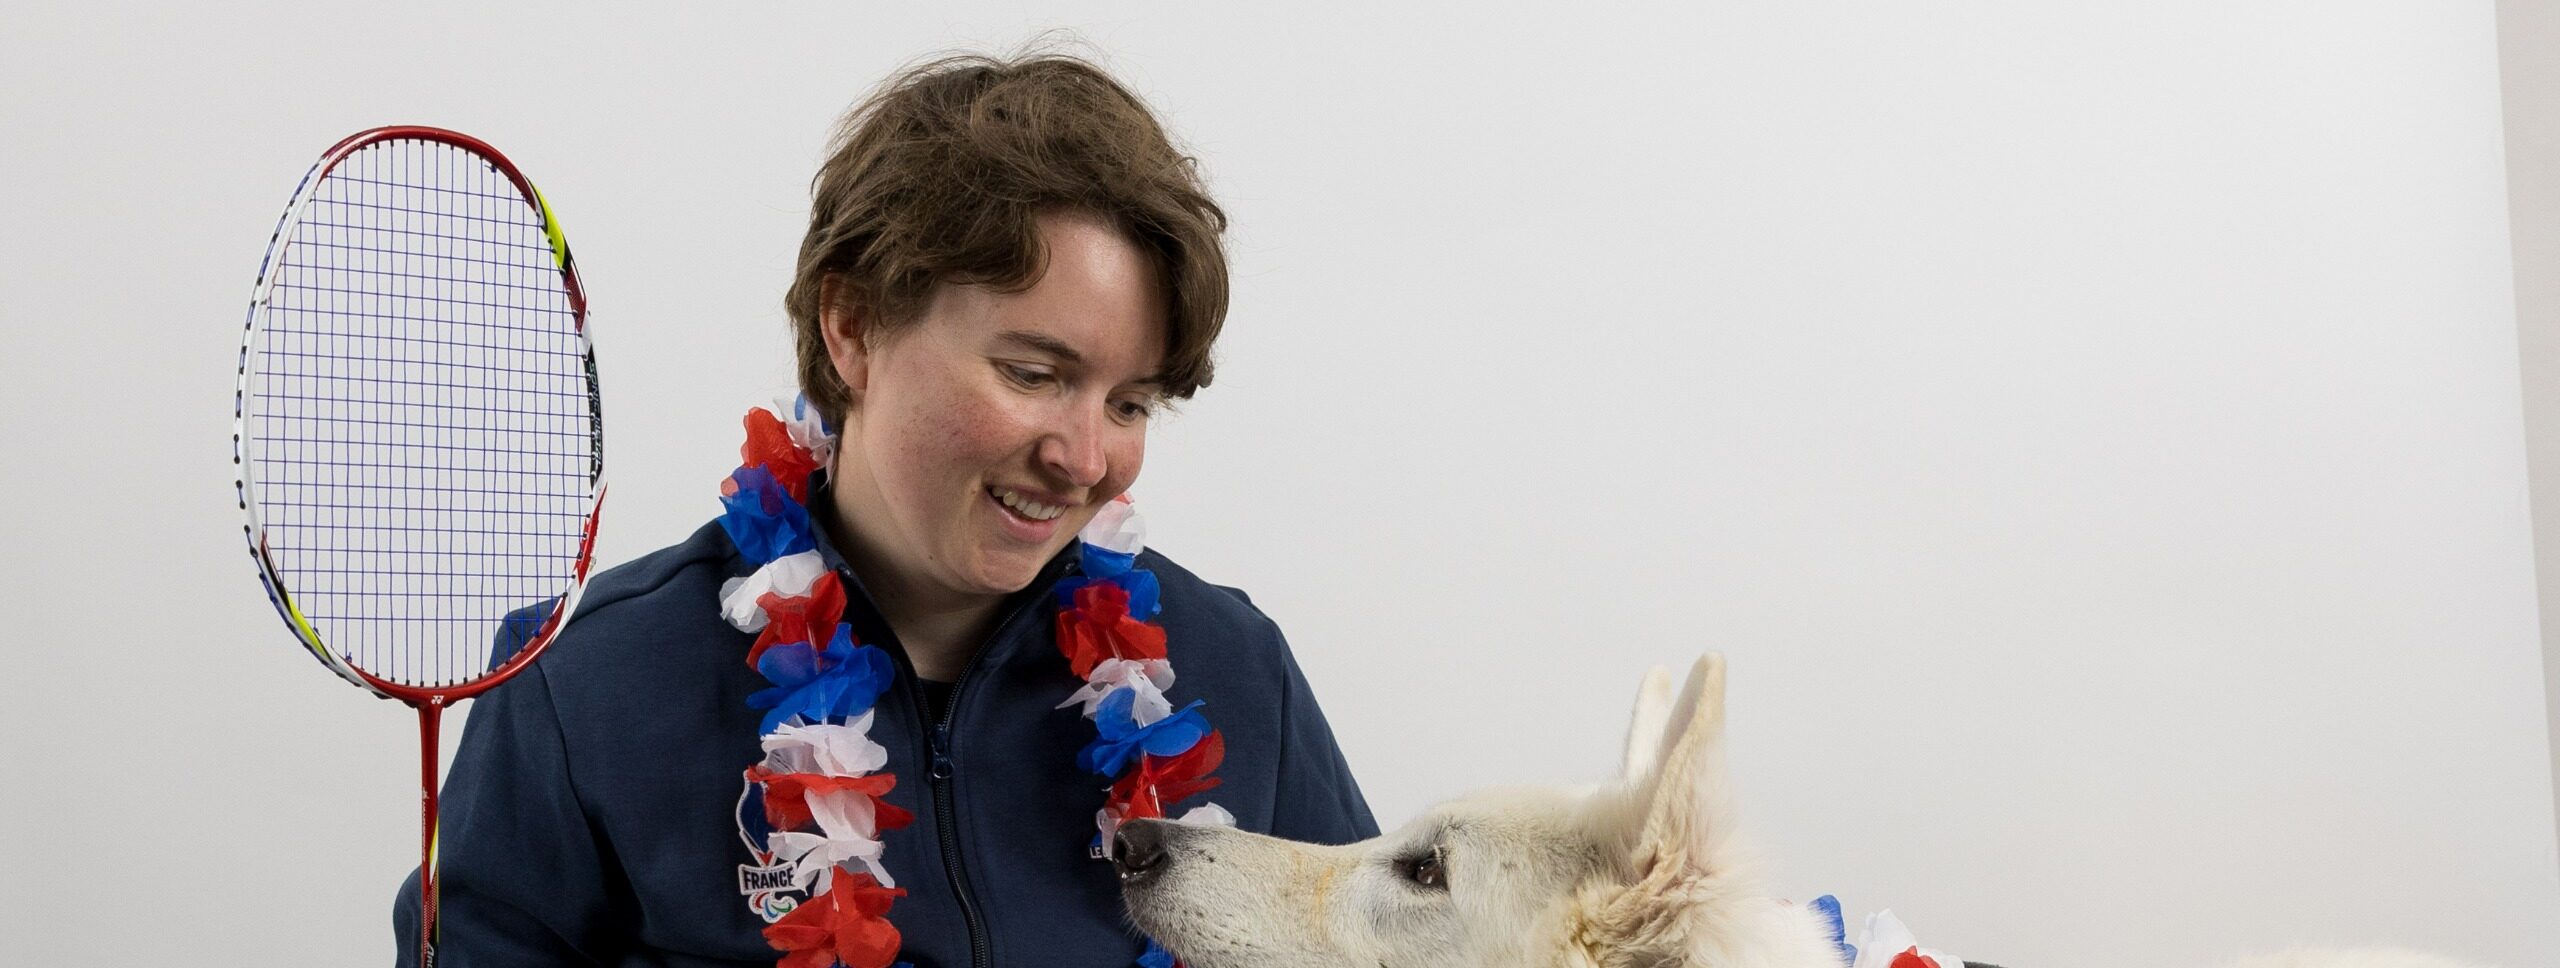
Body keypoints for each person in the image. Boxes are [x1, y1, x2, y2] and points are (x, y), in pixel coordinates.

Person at [394, 51, 1378, 968]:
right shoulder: (584, 688)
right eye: (1031, 372)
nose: (1084, 458)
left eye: (1130, 402)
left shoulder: (1236, 673)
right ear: (853, 325)